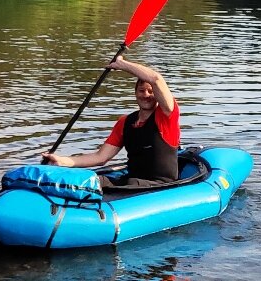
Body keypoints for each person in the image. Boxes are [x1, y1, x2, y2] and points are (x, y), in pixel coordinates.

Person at [41, 56, 180, 187]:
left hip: (160, 185)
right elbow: (100, 157)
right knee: (91, 180)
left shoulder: (167, 116)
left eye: (151, 91)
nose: (146, 95)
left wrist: (122, 64)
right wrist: (62, 161)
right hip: (133, 182)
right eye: (141, 90)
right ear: (135, 93)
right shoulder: (125, 122)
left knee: (127, 182)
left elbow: (156, 79)